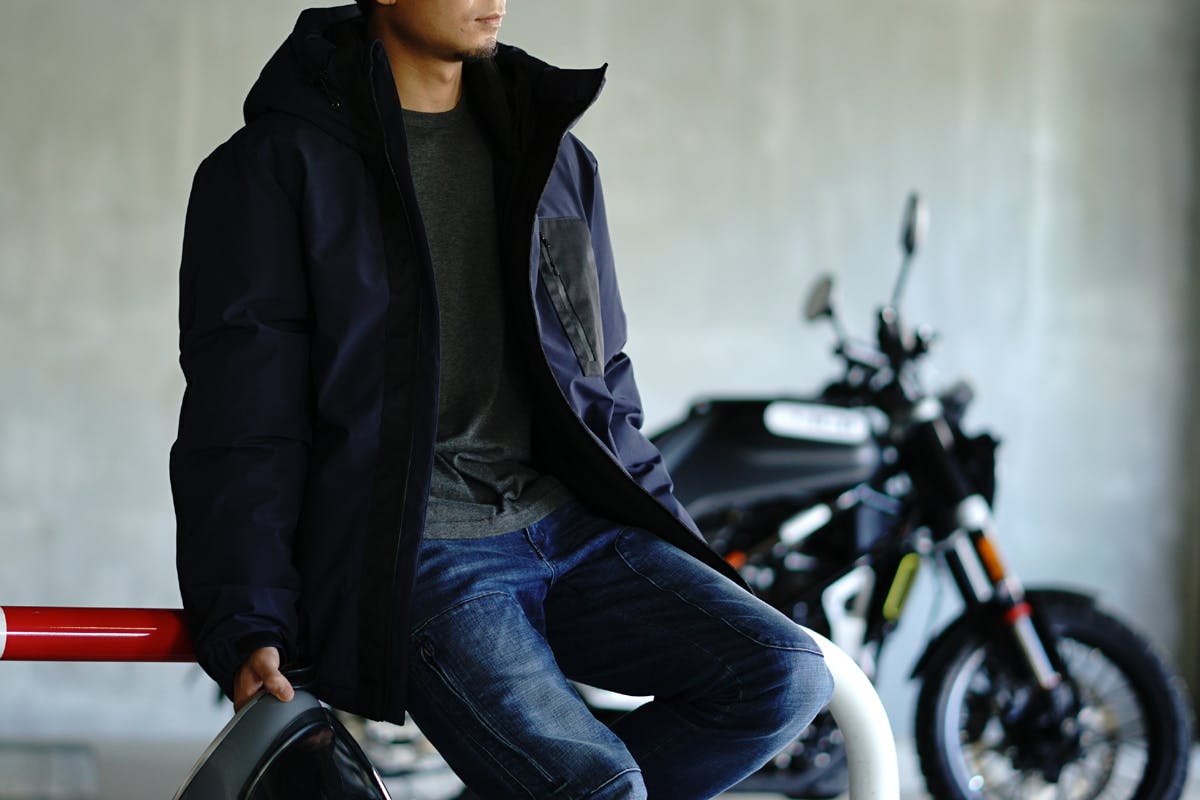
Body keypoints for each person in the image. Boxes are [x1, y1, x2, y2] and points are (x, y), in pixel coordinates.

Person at [170, 2, 833, 797]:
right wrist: (246, 615)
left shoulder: (552, 156)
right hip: (420, 551)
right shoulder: (272, 168)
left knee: (785, 676)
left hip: (569, 525)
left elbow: (602, 382)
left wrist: (676, 543)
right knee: (596, 785)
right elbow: (241, 421)